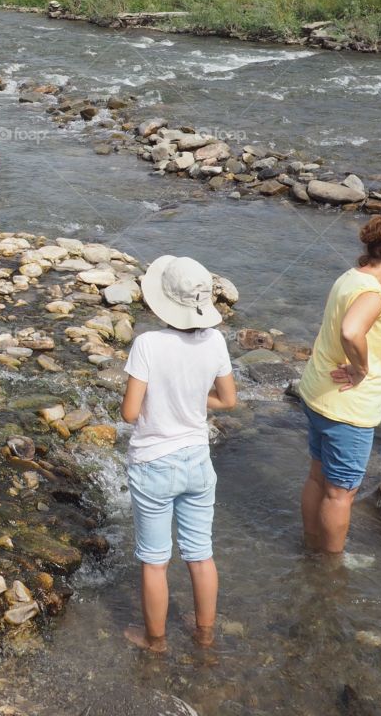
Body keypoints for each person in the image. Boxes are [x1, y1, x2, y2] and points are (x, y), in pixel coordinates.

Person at [120, 255, 236, 653]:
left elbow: (130, 412)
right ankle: (205, 635)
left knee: (155, 561)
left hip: (154, 463)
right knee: (201, 555)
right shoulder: (216, 341)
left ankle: (155, 641)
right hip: (197, 461)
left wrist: (162, 397)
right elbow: (228, 399)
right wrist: (191, 399)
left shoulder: (148, 344)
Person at [299, 218, 381, 557]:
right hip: (348, 409)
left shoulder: (351, 277)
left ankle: (311, 544)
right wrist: (361, 368)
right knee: (340, 494)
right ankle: (332, 565)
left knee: (317, 479)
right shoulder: (373, 295)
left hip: (317, 394)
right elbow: (351, 331)